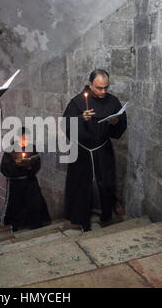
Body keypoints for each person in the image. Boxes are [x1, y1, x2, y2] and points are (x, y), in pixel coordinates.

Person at [62, 69, 127, 231]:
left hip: (102, 148)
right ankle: (82, 220)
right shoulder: (77, 102)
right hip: (82, 151)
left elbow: (120, 126)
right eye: (99, 88)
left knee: (106, 183)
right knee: (81, 186)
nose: (103, 91)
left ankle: (106, 216)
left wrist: (115, 122)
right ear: (90, 84)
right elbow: (66, 125)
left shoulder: (113, 102)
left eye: (106, 87)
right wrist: (80, 118)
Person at [0, 128, 51, 232]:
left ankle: (35, 223)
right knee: (16, 205)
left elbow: (37, 162)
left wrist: (29, 167)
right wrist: (17, 166)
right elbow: (4, 168)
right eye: (24, 138)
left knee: (35, 203)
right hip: (16, 183)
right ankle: (16, 225)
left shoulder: (32, 148)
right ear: (18, 138)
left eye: (27, 138)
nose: (26, 141)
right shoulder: (10, 150)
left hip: (30, 181)